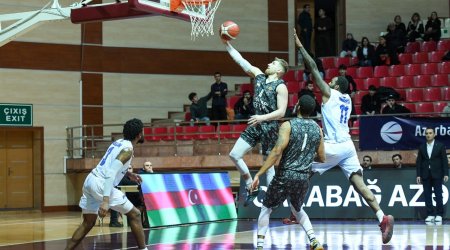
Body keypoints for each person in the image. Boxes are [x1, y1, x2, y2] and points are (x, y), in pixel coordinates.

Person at [295, 30, 394, 244]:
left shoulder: (331, 94)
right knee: (360, 185)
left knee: (304, 168)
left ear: (336, 86)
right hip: (348, 146)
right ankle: (382, 217)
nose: (327, 83)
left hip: (333, 146)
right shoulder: (348, 99)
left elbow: (313, 69)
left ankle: (297, 209)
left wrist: (302, 48)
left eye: (331, 82)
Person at [251, 95, 326, 250]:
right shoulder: (318, 129)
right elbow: (322, 157)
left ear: (298, 106)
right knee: (297, 208)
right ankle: (314, 241)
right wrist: (304, 156)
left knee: (266, 208)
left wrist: (259, 173)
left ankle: (259, 246)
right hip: (303, 177)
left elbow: (277, 150)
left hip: (285, 175)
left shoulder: (288, 125)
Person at [222, 38, 289, 205]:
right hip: (255, 123)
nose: (269, 64)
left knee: (269, 166)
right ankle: (250, 184)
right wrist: (227, 45)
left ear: (279, 70)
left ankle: (272, 197)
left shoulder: (281, 86)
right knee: (234, 155)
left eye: (273, 63)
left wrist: (262, 117)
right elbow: (241, 61)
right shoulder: (259, 76)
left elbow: (281, 112)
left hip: (270, 126)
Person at [66, 118, 148, 250]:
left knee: (87, 223)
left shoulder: (118, 142)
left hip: (90, 180)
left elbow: (110, 164)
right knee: (136, 214)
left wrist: (128, 174)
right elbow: (110, 172)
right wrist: (105, 201)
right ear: (139, 134)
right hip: (102, 184)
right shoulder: (127, 150)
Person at [416, 128, 449, 223]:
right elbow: (419, 162)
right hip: (425, 174)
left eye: (430, 133)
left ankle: (439, 214)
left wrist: (446, 173)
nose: (428, 135)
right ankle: (430, 214)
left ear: (434, 134)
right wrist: (418, 175)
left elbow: (444, 160)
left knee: (438, 195)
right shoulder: (422, 147)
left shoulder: (440, 146)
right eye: (426, 133)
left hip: (437, 174)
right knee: (427, 195)